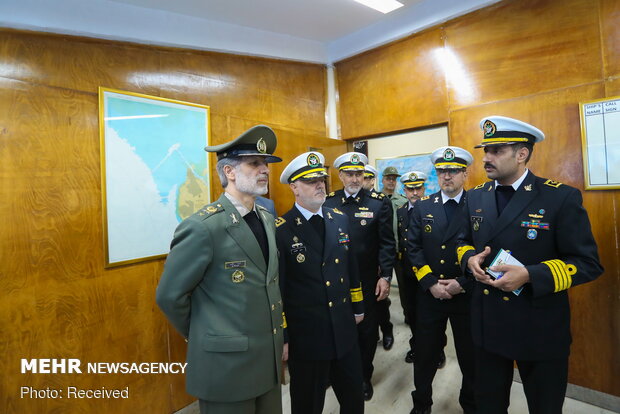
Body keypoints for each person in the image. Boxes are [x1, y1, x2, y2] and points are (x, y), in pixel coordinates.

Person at [457, 116, 603, 414]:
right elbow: (461, 241)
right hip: (488, 324)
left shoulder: (559, 197)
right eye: (485, 150)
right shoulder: (475, 197)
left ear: (522, 154)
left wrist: (529, 275)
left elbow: (587, 263)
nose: (486, 158)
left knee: (545, 407)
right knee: (489, 405)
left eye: (496, 150)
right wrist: (468, 258)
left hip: (539, 328)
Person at [156, 125, 285, 414]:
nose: (264, 170)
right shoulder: (203, 227)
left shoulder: (265, 218)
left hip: (268, 361)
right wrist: (209, 333)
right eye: (254, 163)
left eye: (265, 164)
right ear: (229, 172)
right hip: (226, 366)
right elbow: (169, 296)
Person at [276, 151, 365, 414]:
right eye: (310, 181)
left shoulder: (339, 219)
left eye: (321, 180)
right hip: (308, 335)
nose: (319, 185)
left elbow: (351, 267)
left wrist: (358, 306)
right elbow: (278, 288)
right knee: (307, 403)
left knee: (353, 398)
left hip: (343, 327)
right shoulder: (281, 228)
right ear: (294, 187)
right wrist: (284, 336)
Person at [407, 147, 476, 414]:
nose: (447, 176)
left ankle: (470, 403)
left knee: (470, 356)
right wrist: (431, 284)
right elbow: (413, 248)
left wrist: (464, 282)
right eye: (442, 171)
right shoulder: (424, 206)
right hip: (431, 295)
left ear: (464, 173)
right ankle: (421, 404)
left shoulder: (478, 204)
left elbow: (485, 249)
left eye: (453, 171)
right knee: (425, 355)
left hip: (465, 294)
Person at [324, 152, 395, 401]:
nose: (355, 178)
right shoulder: (328, 202)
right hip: (335, 281)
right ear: (341, 176)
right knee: (336, 328)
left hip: (366, 280)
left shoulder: (378, 202)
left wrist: (385, 276)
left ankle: (364, 376)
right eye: (349, 174)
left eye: (359, 174)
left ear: (364, 175)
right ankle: (336, 373)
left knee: (366, 332)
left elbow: (387, 243)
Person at [395, 171, 427, 364]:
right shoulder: (400, 211)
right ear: (404, 190)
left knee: (431, 314)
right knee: (412, 312)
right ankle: (416, 346)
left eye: (418, 188)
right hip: (407, 270)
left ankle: (437, 350)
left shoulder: (432, 208)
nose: (414, 193)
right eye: (410, 189)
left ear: (423, 189)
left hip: (427, 269)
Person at [375, 166, 407, 351]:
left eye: (394, 179)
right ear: (383, 179)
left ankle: (408, 315)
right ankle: (385, 326)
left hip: (400, 252)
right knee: (380, 290)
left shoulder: (402, 201)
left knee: (404, 287)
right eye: (388, 178)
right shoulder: (376, 201)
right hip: (381, 254)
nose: (391, 181)